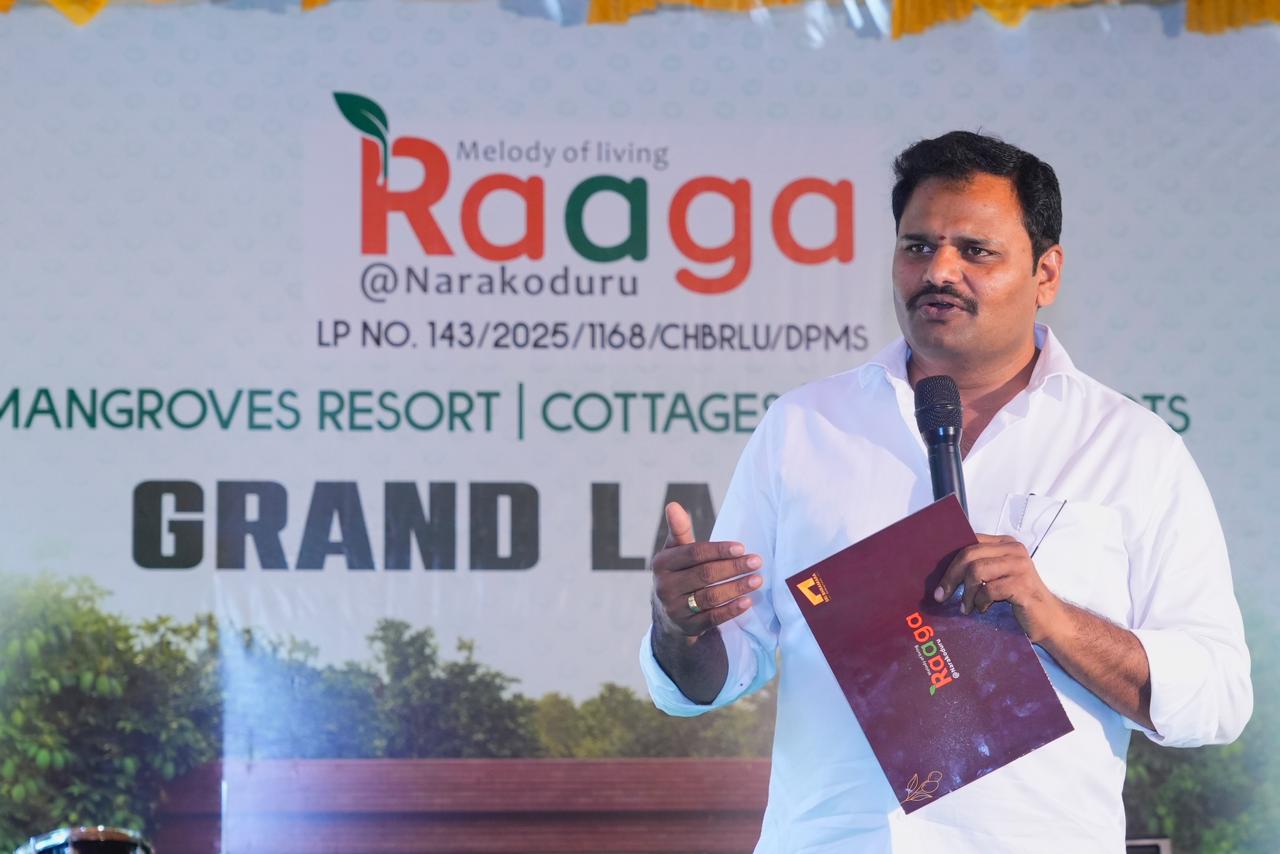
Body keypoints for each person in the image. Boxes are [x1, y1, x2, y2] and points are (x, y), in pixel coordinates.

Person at [640, 131, 1252, 853]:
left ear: (1046, 273)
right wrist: (680, 629)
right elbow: (715, 676)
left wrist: (1054, 619)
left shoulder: (1131, 448)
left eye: (976, 251)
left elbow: (1217, 698)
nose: (938, 271)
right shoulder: (804, 428)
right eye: (918, 246)